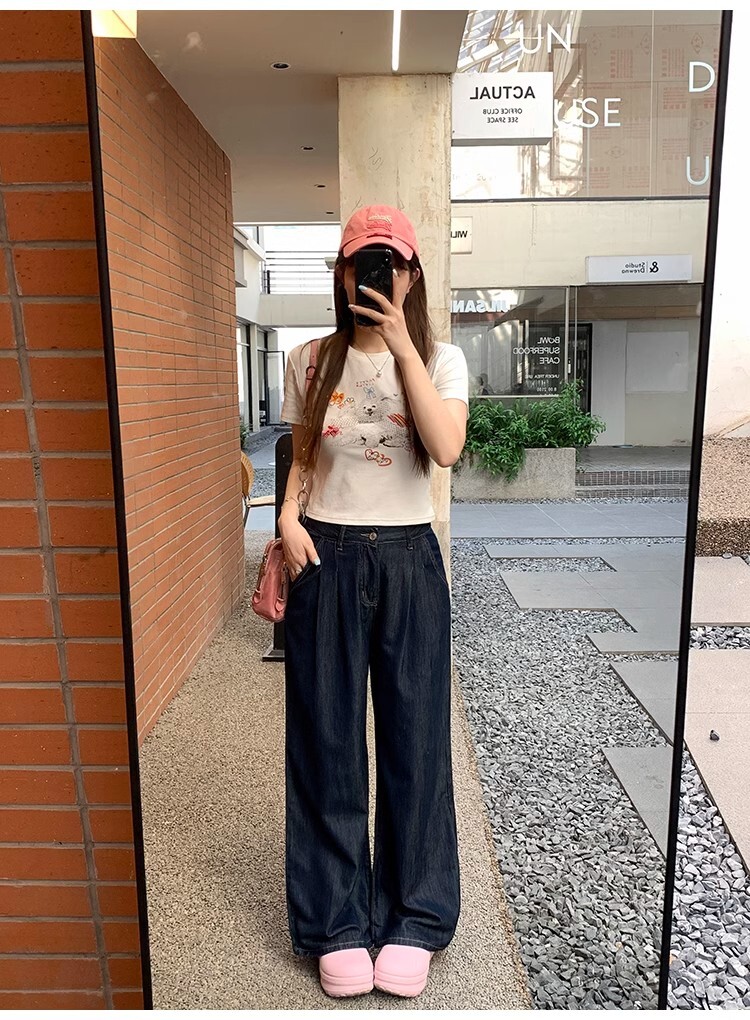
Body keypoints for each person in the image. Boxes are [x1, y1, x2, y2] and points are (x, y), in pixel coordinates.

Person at [278, 205, 469, 1000]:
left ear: (412, 275)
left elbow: (446, 448)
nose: (376, 274)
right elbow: (301, 455)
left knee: (416, 741)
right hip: (325, 553)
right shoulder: (309, 358)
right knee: (326, 741)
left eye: (391, 262)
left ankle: (415, 917)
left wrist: (401, 349)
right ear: (342, 273)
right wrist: (286, 518)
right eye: (363, 262)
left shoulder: (441, 359)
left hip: (409, 560)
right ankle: (335, 922)